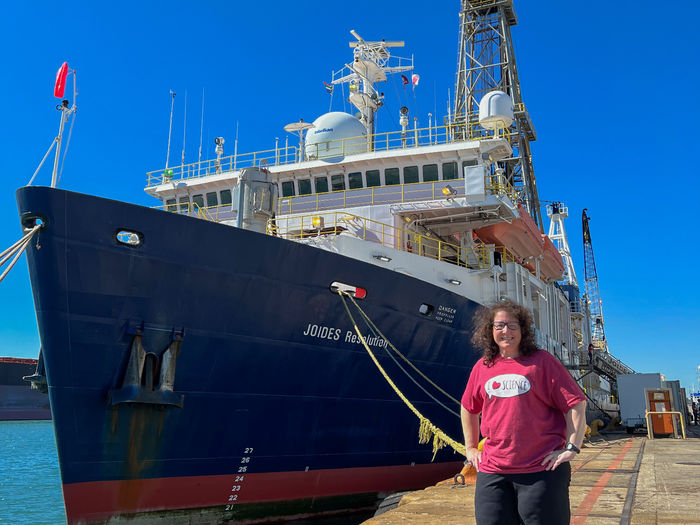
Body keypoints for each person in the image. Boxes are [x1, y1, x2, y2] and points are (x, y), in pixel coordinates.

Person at [461, 300, 587, 525]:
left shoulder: (542, 362)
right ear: (490, 330)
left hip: (541, 470)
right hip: (493, 471)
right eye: (499, 325)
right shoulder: (483, 366)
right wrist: (470, 448)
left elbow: (576, 403)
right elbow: (468, 407)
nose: (505, 331)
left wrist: (571, 448)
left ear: (523, 330)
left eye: (512, 325)